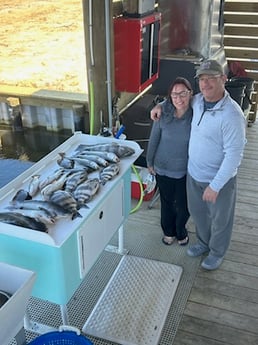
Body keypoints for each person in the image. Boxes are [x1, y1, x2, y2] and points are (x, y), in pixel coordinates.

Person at [150, 59, 246, 270]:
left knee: (221, 220)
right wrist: (159, 105)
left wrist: (216, 185)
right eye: (202, 79)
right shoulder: (198, 100)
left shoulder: (232, 115)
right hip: (193, 175)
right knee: (199, 214)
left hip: (218, 180)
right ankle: (203, 243)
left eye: (211, 78)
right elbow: (176, 100)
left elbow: (234, 155)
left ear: (223, 79)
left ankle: (217, 252)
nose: (206, 83)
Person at [146, 77, 193, 246]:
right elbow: (154, 139)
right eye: (174, 95)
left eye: (183, 94)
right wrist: (149, 162)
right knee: (166, 203)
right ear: (169, 97)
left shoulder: (196, 113)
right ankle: (168, 231)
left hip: (184, 170)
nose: (179, 99)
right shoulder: (163, 112)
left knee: (183, 205)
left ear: (190, 94)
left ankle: (180, 230)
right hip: (162, 167)